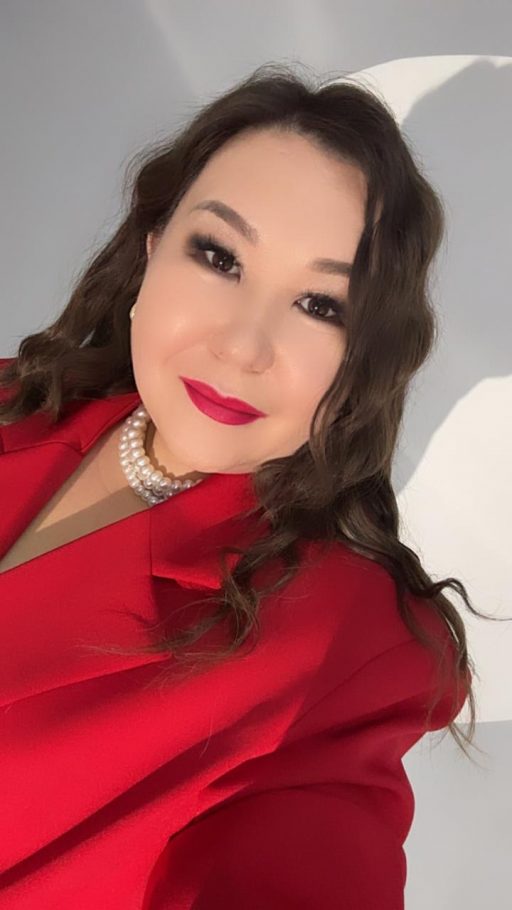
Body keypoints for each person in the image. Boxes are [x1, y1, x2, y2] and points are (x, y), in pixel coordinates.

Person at [0, 63, 482, 909]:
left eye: (321, 305)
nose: (243, 345)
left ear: (364, 356)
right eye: (220, 256)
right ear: (152, 248)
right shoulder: (17, 398)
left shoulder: (343, 645)